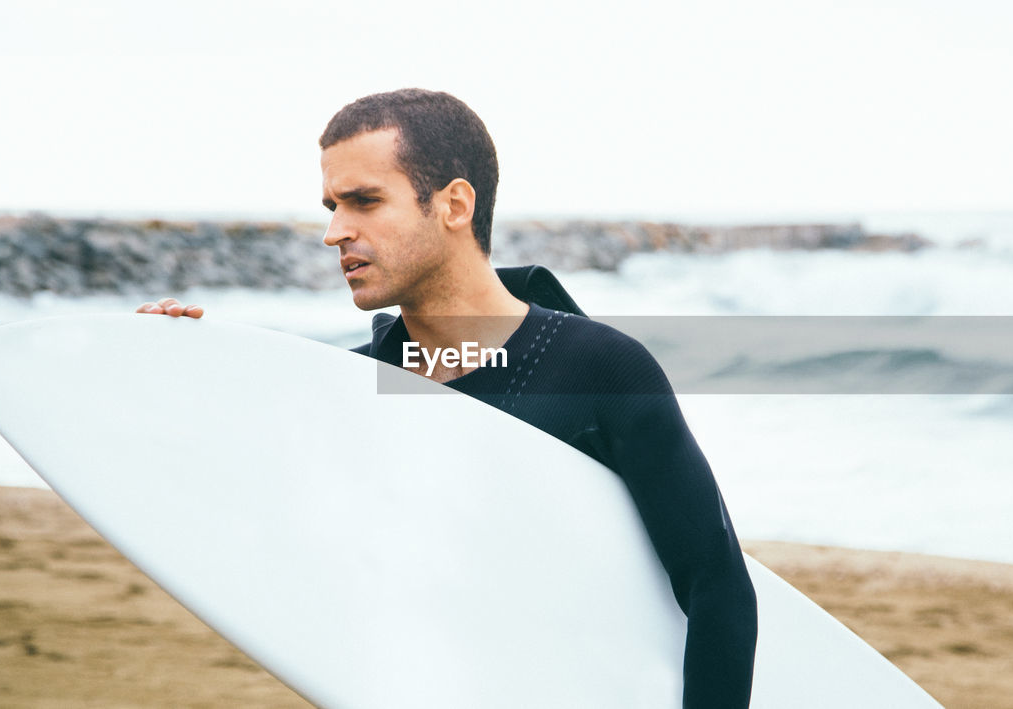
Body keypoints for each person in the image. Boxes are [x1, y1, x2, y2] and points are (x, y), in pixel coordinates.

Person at [139, 88, 757, 708]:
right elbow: (220, 493)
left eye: (364, 201)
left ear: (454, 205)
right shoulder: (348, 388)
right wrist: (178, 368)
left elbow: (716, 586)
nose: (334, 233)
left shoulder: (597, 369)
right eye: (332, 206)